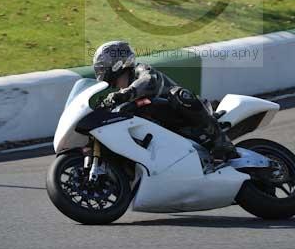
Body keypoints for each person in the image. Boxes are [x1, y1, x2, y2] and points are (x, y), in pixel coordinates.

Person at [93, 40, 239, 161]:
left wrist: (127, 93)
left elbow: (147, 80)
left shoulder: (142, 70)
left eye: (103, 65)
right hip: (167, 136)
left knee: (181, 95)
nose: (101, 70)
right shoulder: (119, 96)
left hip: (186, 116)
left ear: (118, 63)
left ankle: (221, 141)